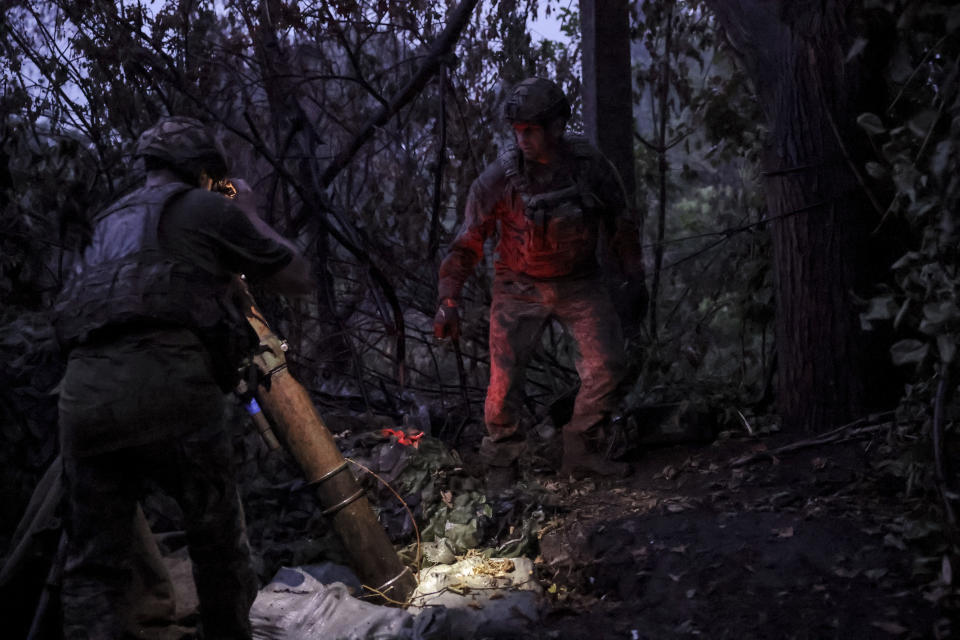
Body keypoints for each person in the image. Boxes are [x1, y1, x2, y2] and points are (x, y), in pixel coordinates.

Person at [53, 116, 313, 639]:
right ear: (203, 173)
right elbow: (297, 276)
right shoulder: (205, 207)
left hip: (83, 400)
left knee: (93, 569)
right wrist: (248, 212)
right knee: (217, 546)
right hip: (170, 387)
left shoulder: (102, 224)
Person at [433, 77, 646, 485]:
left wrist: (633, 276)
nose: (522, 139)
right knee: (503, 383)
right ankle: (501, 467)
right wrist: (449, 299)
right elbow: (466, 244)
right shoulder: (497, 180)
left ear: (557, 126)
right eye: (517, 131)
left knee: (608, 365)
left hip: (580, 282)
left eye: (531, 130)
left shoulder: (591, 167)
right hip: (518, 286)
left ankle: (582, 449)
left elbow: (621, 223)